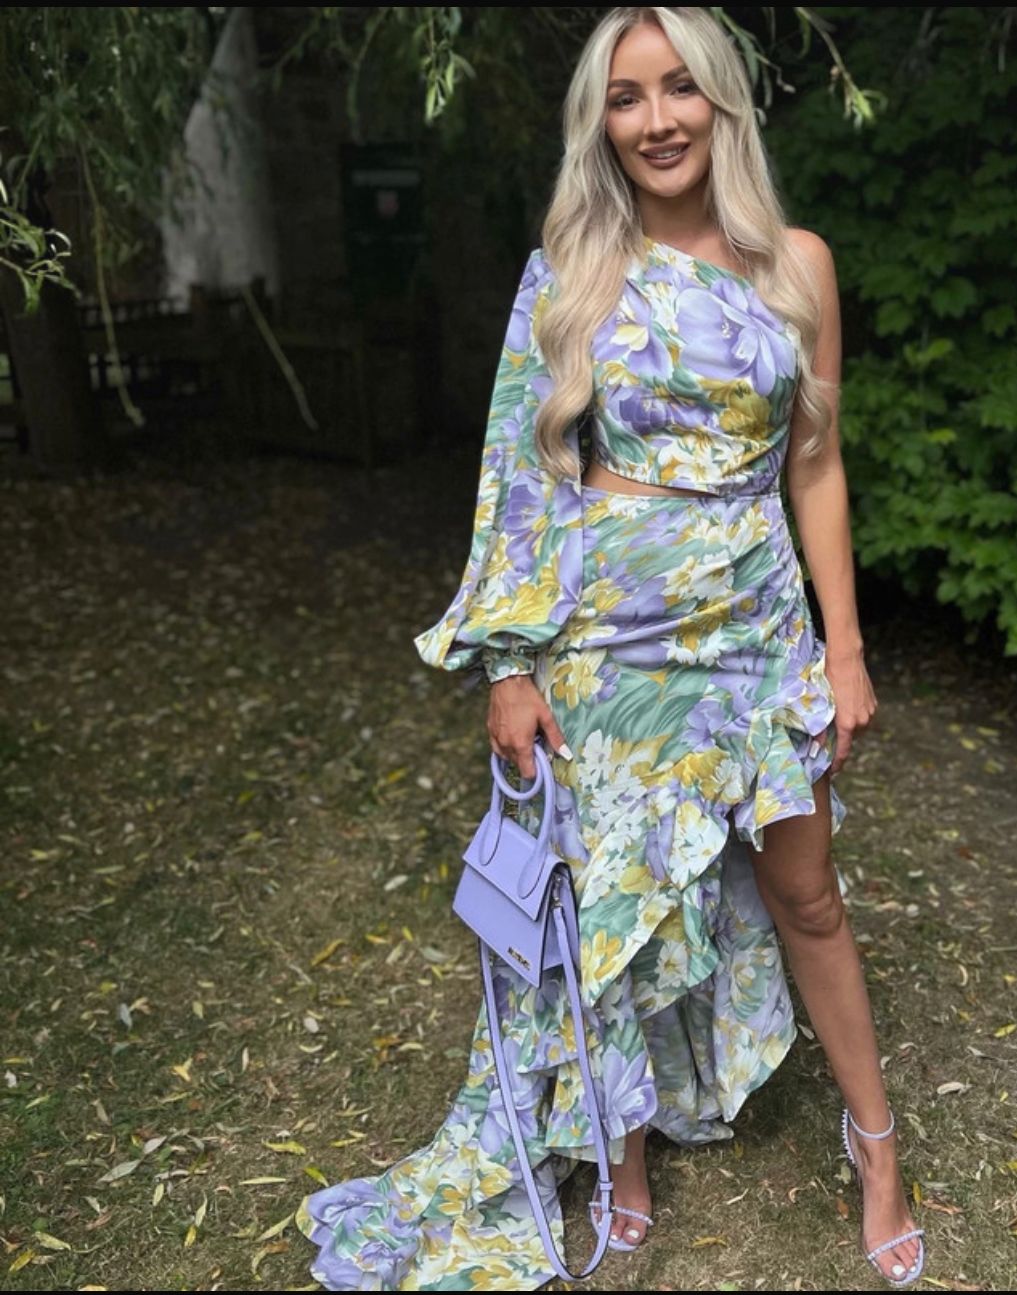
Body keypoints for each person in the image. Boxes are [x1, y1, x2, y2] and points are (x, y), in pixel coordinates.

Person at [295, 6, 925, 1289]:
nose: (657, 120)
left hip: (757, 628)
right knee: (611, 912)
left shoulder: (798, 265)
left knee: (807, 890)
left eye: (679, 89)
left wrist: (846, 648)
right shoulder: (572, 269)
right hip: (610, 641)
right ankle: (619, 1159)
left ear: (723, 102)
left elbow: (815, 463)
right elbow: (522, 477)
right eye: (626, 99)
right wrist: (510, 665)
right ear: (602, 124)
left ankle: (878, 1147)